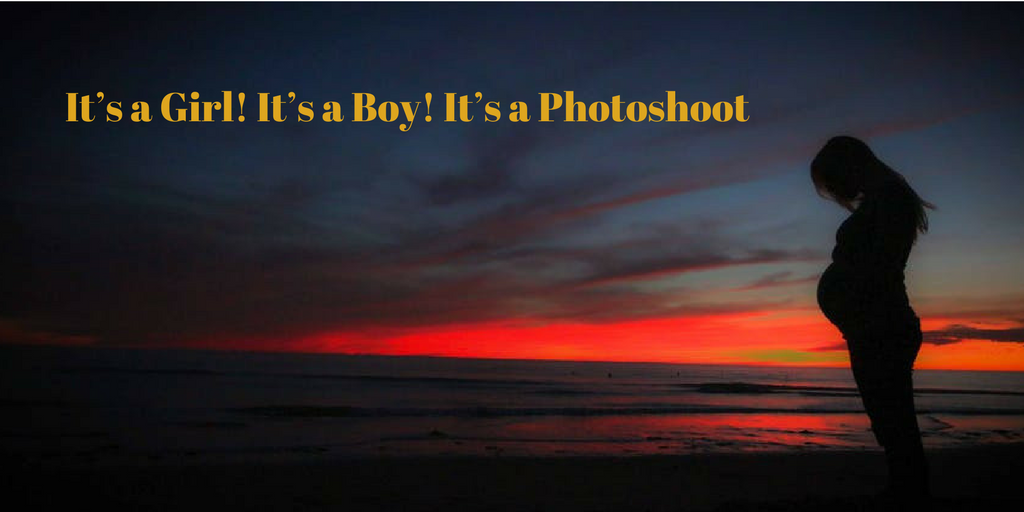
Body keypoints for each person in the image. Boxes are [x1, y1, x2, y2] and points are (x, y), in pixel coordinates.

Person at [811, 136, 934, 504]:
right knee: (888, 419)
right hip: (869, 326)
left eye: (832, 180)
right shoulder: (880, 200)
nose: (834, 191)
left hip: (881, 325)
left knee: (894, 420)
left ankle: (909, 494)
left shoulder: (891, 199)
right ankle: (905, 490)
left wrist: (853, 299)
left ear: (848, 166)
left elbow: (882, 265)